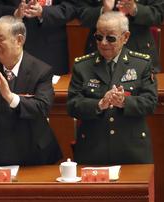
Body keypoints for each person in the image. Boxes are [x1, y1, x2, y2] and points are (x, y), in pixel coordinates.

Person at [0, 15, 61, 166]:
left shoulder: (41, 70)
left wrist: (11, 98)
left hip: (31, 152)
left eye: (0, 39)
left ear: (19, 40)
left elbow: (42, 107)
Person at [67, 11, 157, 164]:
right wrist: (99, 104)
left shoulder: (141, 64)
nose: (103, 43)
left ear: (125, 37)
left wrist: (124, 102)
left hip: (131, 151)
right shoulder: (82, 66)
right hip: (93, 151)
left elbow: (150, 102)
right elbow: (72, 105)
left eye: (110, 38)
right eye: (98, 37)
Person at [0, 0, 77, 76]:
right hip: (10, 47)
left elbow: (71, 7)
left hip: (50, 49)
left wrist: (43, 12)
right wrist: (14, 13)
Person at [77, 0, 164, 71]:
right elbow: (81, 14)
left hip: (139, 50)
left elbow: (159, 13)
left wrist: (135, 10)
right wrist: (103, 10)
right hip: (100, 53)